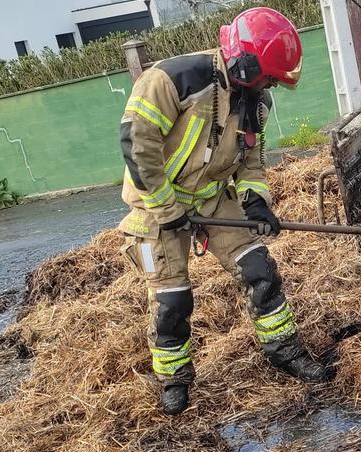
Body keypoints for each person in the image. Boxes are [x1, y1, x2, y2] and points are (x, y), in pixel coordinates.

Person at [117, 7, 329, 416]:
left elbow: (250, 161)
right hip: (155, 204)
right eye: (268, 78)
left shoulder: (256, 101)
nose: (270, 86)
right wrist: (167, 209)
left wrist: (255, 200)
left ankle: (283, 349)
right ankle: (174, 379)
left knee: (259, 269)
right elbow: (137, 145)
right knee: (172, 300)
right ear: (244, 63)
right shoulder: (173, 80)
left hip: (212, 198)